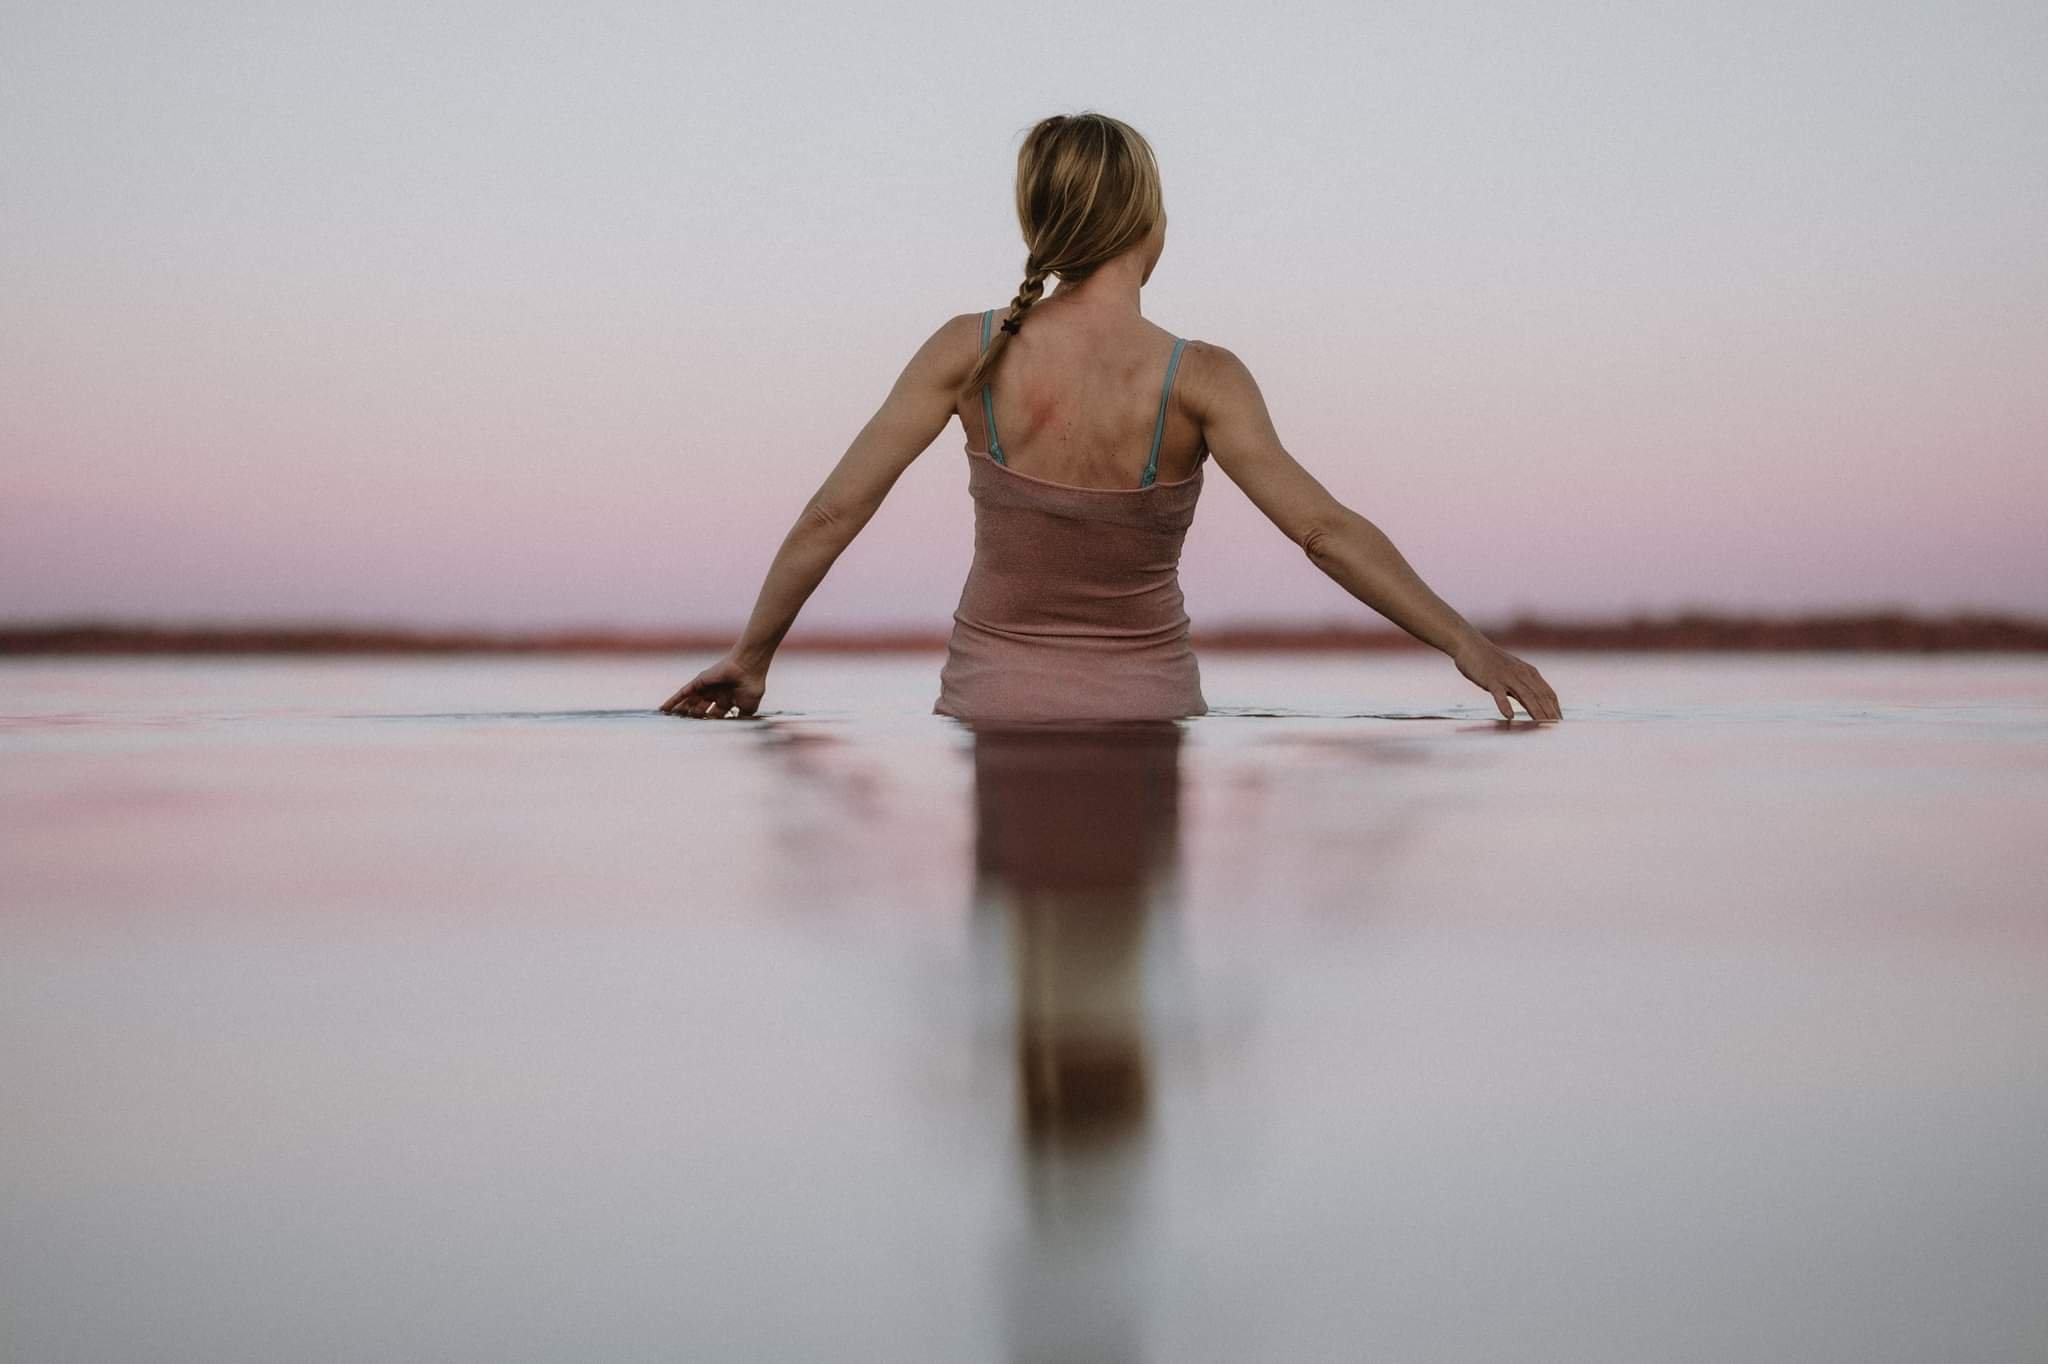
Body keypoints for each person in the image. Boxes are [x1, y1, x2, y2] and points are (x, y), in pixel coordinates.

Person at [661, 111, 1561, 724]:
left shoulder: (967, 349)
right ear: (1147, 223)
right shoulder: (1202, 377)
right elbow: (1322, 532)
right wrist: (1465, 644)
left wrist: (751, 656)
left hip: (991, 707)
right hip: (1150, 709)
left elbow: (833, 513)